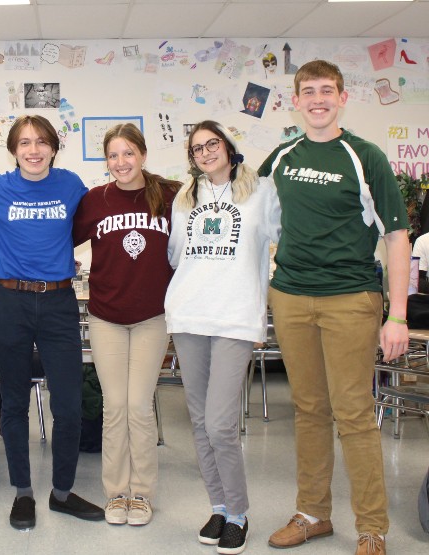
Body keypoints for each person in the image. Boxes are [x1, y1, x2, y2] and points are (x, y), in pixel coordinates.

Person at [259, 60, 410, 555]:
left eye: (327, 90)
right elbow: (256, 221)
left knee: (354, 413)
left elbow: (397, 236)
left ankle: (372, 527)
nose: (318, 98)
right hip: (291, 296)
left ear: (342, 97)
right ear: (295, 101)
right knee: (308, 410)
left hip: (350, 298)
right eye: (309, 91)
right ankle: (313, 514)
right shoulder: (280, 158)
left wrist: (398, 315)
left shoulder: (365, 156)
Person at [0, 114, 104, 530]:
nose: (33, 150)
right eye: (25, 142)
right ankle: (23, 493)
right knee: (13, 403)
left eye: (42, 141)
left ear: (53, 147)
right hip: (10, 301)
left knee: (66, 404)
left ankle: (62, 493)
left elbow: (102, 216)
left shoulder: (70, 185)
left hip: (60, 302)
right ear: (13, 149)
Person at [166, 120, 281, 554]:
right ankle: (217, 506)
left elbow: (283, 238)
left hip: (235, 319)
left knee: (220, 423)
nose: (206, 152)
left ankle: (238, 512)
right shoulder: (185, 197)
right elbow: (177, 254)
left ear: (229, 148)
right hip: (190, 315)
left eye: (212, 144)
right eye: (197, 148)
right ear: (192, 158)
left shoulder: (261, 192)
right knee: (199, 422)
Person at [72, 123, 179, 527]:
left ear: (143, 154)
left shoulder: (168, 196)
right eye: (113, 155)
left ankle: (143, 494)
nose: (121, 162)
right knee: (114, 406)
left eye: (128, 153)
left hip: (152, 317)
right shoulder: (95, 200)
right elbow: (59, 239)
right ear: (107, 161)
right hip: (106, 317)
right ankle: (116, 493)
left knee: (138, 405)